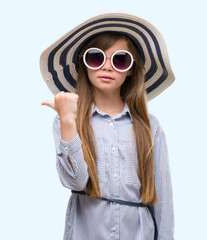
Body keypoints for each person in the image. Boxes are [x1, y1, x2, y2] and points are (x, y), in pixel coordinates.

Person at [39, 13, 175, 240]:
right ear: (84, 64)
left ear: (130, 69)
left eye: (120, 60)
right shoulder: (65, 120)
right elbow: (75, 181)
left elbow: (163, 201)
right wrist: (68, 121)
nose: (108, 67)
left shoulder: (150, 127)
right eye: (96, 58)